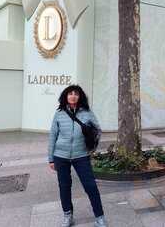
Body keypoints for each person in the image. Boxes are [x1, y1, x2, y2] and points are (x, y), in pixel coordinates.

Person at [48, 85, 107, 227]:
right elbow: (52, 136)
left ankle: (100, 217)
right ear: (65, 96)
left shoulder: (87, 113)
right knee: (64, 186)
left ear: (80, 97)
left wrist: (91, 149)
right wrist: (51, 158)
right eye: (70, 94)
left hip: (81, 155)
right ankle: (68, 216)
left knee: (90, 186)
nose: (73, 96)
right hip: (60, 156)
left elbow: (97, 131)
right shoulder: (59, 113)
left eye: (76, 94)